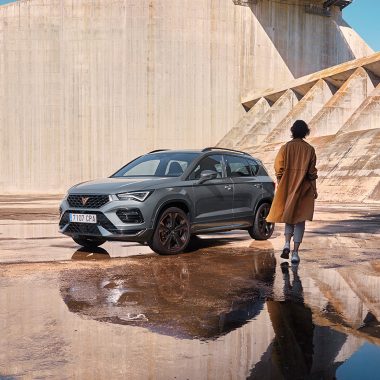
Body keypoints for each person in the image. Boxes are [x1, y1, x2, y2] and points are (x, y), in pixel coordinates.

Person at [266, 120, 318, 264]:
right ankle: (295, 253)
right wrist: (314, 189)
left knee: (289, 217)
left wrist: (283, 181)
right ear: (306, 132)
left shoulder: (285, 148)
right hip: (304, 189)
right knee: (300, 220)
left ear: (292, 131)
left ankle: (287, 243)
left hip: (288, 187)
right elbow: (312, 173)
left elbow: (278, 167)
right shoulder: (310, 150)